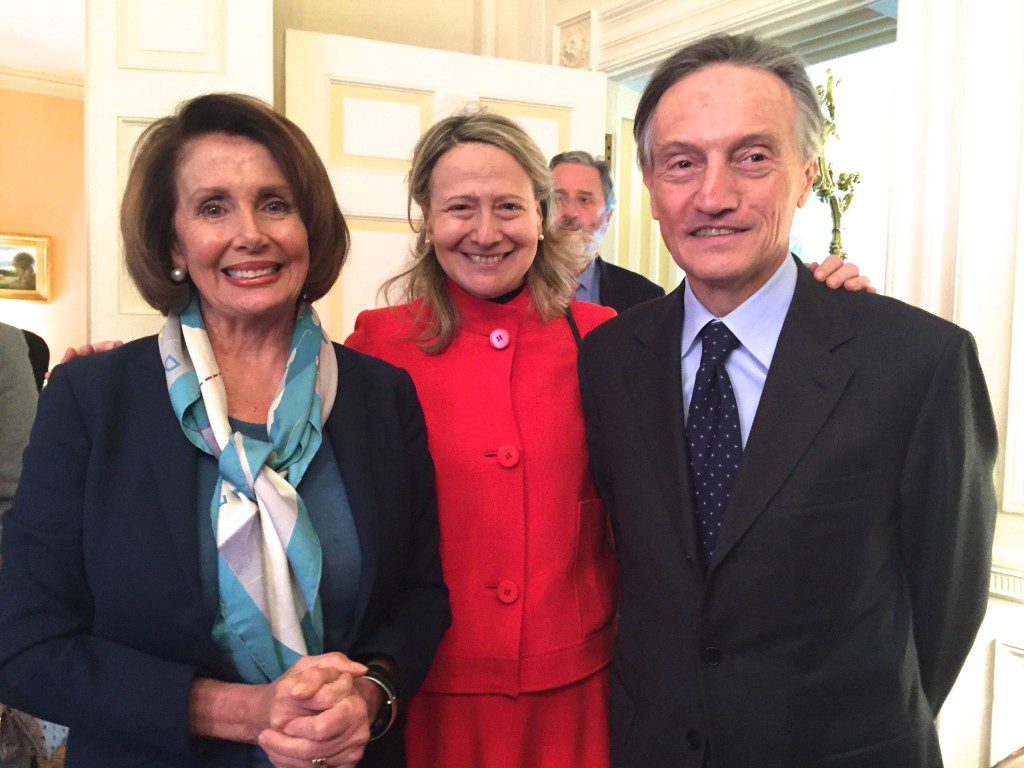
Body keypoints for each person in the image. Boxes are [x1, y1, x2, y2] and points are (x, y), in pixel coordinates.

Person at [345, 111, 866, 768]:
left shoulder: (612, 339)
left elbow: (739, 419)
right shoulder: (377, 344)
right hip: (428, 694)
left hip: (582, 696)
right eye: (458, 208)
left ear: (541, 213)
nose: (485, 232)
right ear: (426, 219)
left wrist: (815, 310)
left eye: (508, 206)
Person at [577, 33, 998, 768]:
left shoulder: (917, 361)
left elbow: (946, 599)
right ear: (649, 186)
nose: (714, 195)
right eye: (682, 163)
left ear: (806, 174)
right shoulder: (610, 357)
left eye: (752, 157)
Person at [0, 93, 450, 768]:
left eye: (275, 203)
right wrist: (246, 713)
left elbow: (420, 596)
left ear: (311, 226)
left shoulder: (380, 396)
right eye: (214, 207)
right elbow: (24, 644)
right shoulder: (94, 400)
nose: (252, 233)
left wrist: (370, 697)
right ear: (173, 240)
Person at [550, 151, 665, 311]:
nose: (570, 212)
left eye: (584, 200)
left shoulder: (646, 298)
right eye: (557, 199)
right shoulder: (509, 285)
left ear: (608, 216)